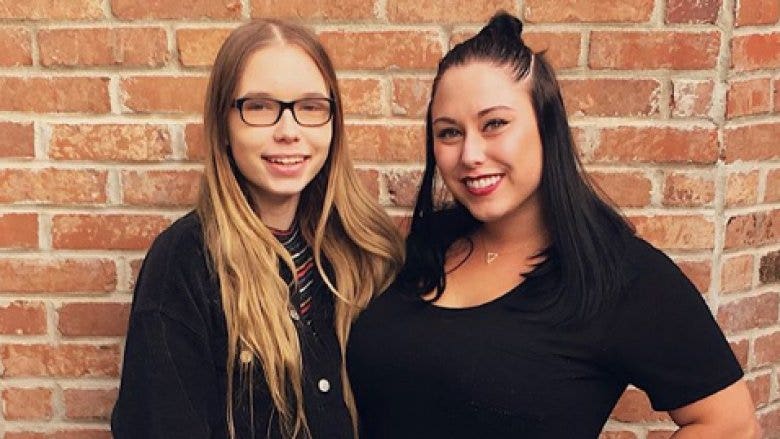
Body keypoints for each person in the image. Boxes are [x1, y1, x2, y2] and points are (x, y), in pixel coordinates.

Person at [347, 11, 759, 439]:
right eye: (449, 132)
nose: (470, 154)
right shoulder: (427, 244)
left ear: (547, 126)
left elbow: (731, 424)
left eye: (494, 124)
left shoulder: (618, 273)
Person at [111, 19, 404, 439]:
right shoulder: (186, 264)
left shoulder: (366, 253)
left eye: (310, 107)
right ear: (224, 125)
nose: (289, 131)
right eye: (260, 107)